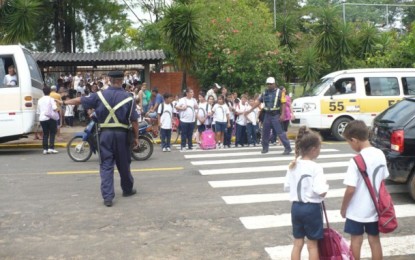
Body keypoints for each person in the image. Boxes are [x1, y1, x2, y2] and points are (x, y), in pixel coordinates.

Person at [62, 70, 139, 207]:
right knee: (124, 164)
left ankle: (108, 197)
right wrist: (136, 138)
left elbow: (80, 100)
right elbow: (134, 121)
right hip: (122, 135)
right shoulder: (129, 97)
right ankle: (127, 190)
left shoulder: (99, 95)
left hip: (106, 135)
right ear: (122, 81)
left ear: (109, 80)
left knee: (106, 165)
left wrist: (65, 102)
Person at [340, 120, 388, 260]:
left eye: (349, 142)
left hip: (357, 211)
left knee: (356, 240)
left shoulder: (356, 161)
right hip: (375, 207)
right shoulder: (380, 154)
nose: (350, 145)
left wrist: (344, 208)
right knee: (374, 240)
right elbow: (382, 179)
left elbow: (350, 189)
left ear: (354, 140)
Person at [284, 126, 329, 260]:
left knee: (297, 243)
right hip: (311, 209)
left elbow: (287, 186)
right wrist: (326, 187)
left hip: (296, 207)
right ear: (314, 149)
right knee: (312, 245)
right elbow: (321, 192)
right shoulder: (316, 167)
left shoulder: (293, 164)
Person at [246, 77, 292, 154]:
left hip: (276, 115)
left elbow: (283, 104)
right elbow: (258, 102)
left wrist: (283, 114)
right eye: (268, 84)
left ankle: (288, 148)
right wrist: (249, 110)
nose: (269, 85)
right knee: (265, 132)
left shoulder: (280, 92)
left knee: (280, 132)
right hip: (267, 115)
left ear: (274, 84)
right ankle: (265, 148)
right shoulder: (265, 93)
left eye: (271, 84)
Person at [36, 86, 59, 155]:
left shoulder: (40, 100)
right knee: (52, 133)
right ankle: (51, 148)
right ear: (50, 92)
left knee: (45, 134)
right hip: (50, 118)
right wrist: (58, 110)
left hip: (42, 118)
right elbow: (54, 108)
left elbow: (38, 111)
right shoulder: (51, 99)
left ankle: (45, 149)